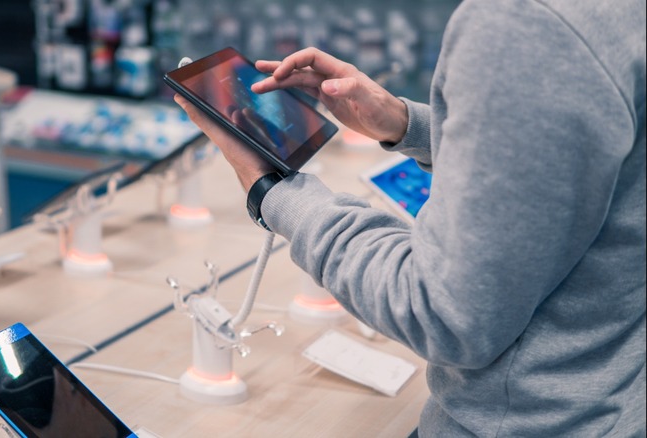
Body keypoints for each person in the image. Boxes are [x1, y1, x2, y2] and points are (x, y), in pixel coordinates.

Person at [174, 0, 646, 436]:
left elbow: (446, 314)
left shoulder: (528, 23)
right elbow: (573, 164)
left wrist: (271, 191)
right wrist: (407, 124)